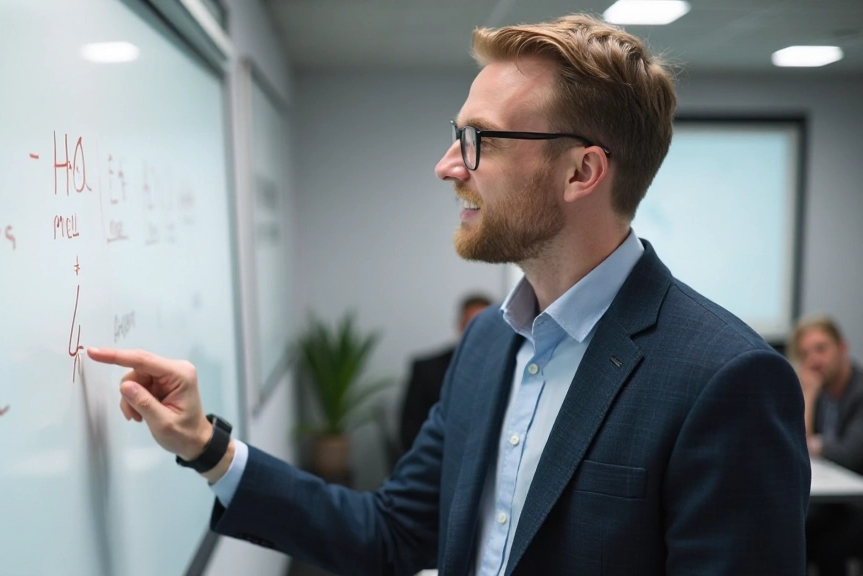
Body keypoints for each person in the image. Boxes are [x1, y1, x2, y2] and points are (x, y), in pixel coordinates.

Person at [88, 14, 810, 575]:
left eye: (480, 141)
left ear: (582, 171)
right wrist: (206, 446)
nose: (446, 167)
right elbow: (390, 536)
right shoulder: (489, 346)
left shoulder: (725, 380)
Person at [793, 315, 863, 576]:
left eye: (821, 349)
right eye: (805, 354)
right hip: (835, 504)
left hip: (856, 505)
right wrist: (808, 397)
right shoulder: (822, 392)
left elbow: (851, 455)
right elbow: (802, 446)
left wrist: (817, 444)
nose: (814, 361)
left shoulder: (859, 392)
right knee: (796, 525)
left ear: (842, 348)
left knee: (818, 538)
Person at [399, 293, 492, 452]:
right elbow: (410, 429)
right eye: (473, 324)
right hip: (437, 460)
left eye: (488, 327)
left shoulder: (506, 368)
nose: (481, 333)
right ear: (461, 325)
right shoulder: (427, 369)